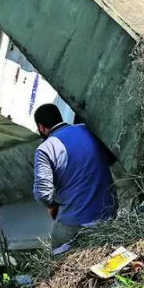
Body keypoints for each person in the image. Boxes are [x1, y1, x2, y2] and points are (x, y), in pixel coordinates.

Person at [32, 104, 117, 249]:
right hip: (110, 211)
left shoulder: (45, 149)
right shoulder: (88, 129)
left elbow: (42, 194)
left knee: (57, 241)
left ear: (41, 127)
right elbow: (111, 157)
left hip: (79, 222)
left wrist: (53, 205)